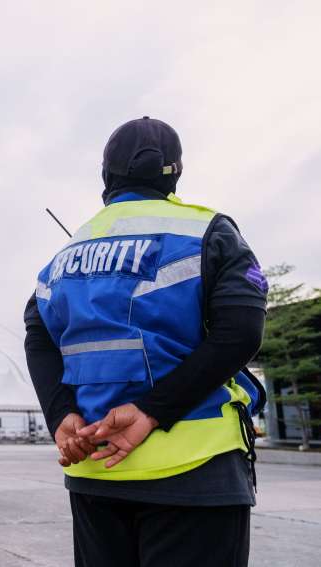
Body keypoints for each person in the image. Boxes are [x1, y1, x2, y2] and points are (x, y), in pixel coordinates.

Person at [25, 117, 266, 567]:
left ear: (106, 175)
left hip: (95, 472)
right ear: (174, 173)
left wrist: (61, 415)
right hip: (197, 471)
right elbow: (242, 331)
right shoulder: (208, 231)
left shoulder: (61, 258)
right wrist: (153, 410)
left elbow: (37, 336)